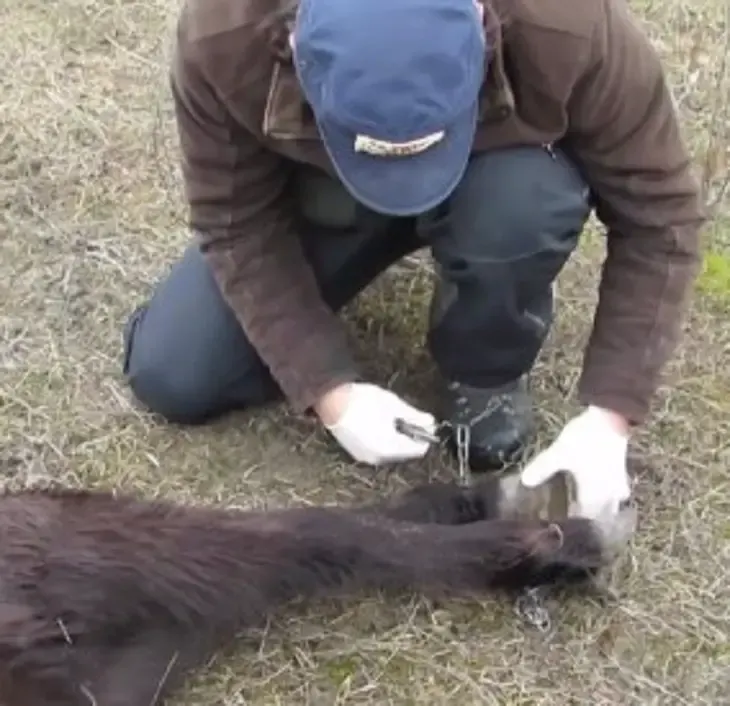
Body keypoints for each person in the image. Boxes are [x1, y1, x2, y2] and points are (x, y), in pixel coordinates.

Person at [122, 0, 705, 520]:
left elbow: (661, 217)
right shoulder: (223, 36)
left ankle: (487, 361)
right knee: (177, 375)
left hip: (495, 176)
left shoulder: (567, 24)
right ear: (297, 46)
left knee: (525, 203)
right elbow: (237, 222)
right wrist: (328, 391)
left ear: (481, 24)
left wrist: (609, 420)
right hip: (326, 186)